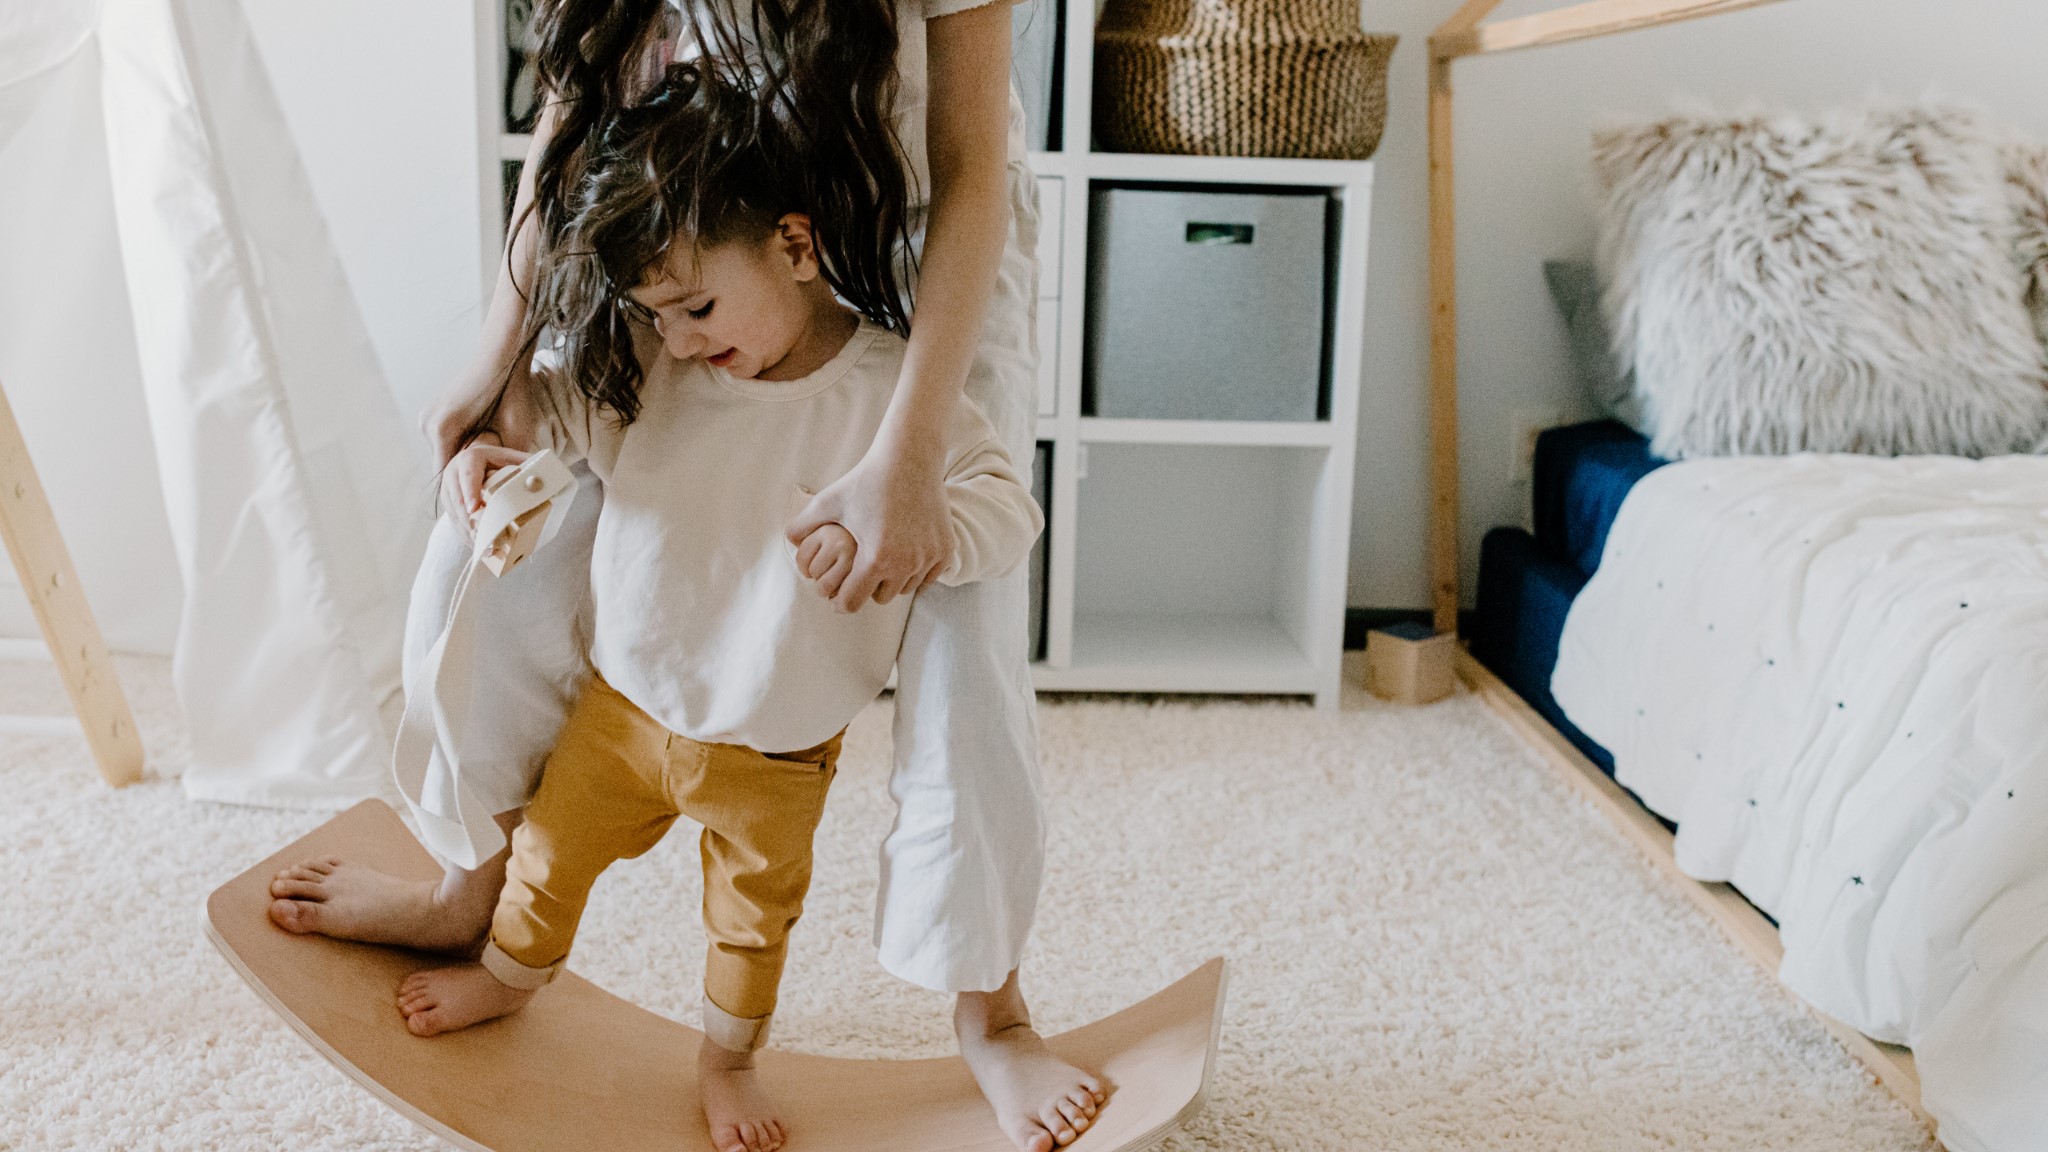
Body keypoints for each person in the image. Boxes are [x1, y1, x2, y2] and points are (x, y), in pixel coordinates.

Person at [266, 2, 1102, 1149]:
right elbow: (573, 100)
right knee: (504, 537)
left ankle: (991, 1012)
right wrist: (506, 353)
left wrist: (906, 461)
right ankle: (479, 891)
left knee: (968, 639)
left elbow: (969, 172)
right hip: (700, 203)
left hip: (917, 217)